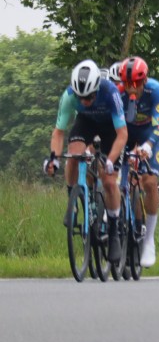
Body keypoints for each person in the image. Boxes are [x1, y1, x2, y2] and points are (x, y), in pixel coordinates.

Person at [45, 60, 128, 263]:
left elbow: (122, 134)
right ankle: (72, 202)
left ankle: (114, 230)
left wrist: (111, 160)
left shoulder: (110, 93)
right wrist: (53, 158)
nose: (85, 101)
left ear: (96, 89)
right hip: (86, 123)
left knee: (109, 181)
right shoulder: (69, 96)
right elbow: (59, 132)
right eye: (81, 97)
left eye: (89, 97)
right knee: (73, 155)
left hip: (111, 128)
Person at [118, 56, 159, 268]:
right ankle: (126, 222)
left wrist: (148, 145)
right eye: (127, 84)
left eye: (136, 84)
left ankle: (149, 240)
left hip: (148, 134)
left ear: (144, 80)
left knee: (149, 181)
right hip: (126, 135)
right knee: (121, 181)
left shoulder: (155, 90)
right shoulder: (118, 92)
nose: (132, 88)